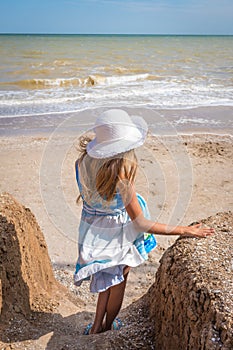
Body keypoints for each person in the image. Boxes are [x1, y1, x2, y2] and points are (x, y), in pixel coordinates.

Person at [74, 109, 214, 335]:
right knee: (119, 278)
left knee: (107, 277)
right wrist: (185, 230)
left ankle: (95, 326)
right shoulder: (121, 177)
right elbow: (140, 223)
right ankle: (107, 327)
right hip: (118, 235)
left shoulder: (81, 163)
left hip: (93, 232)